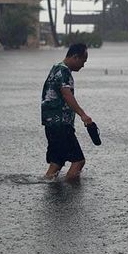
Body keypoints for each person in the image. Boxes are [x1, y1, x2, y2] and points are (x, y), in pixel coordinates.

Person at [41, 43, 93, 182]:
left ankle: (52, 192)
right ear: (75, 57)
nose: (83, 65)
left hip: (51, 124)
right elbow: (67, 94)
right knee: (78, 161)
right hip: (61, 125)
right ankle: (70, 199)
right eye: (83, 61)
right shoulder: (64, 72)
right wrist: (83, 114)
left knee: (57, 163)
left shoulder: (55, 68)